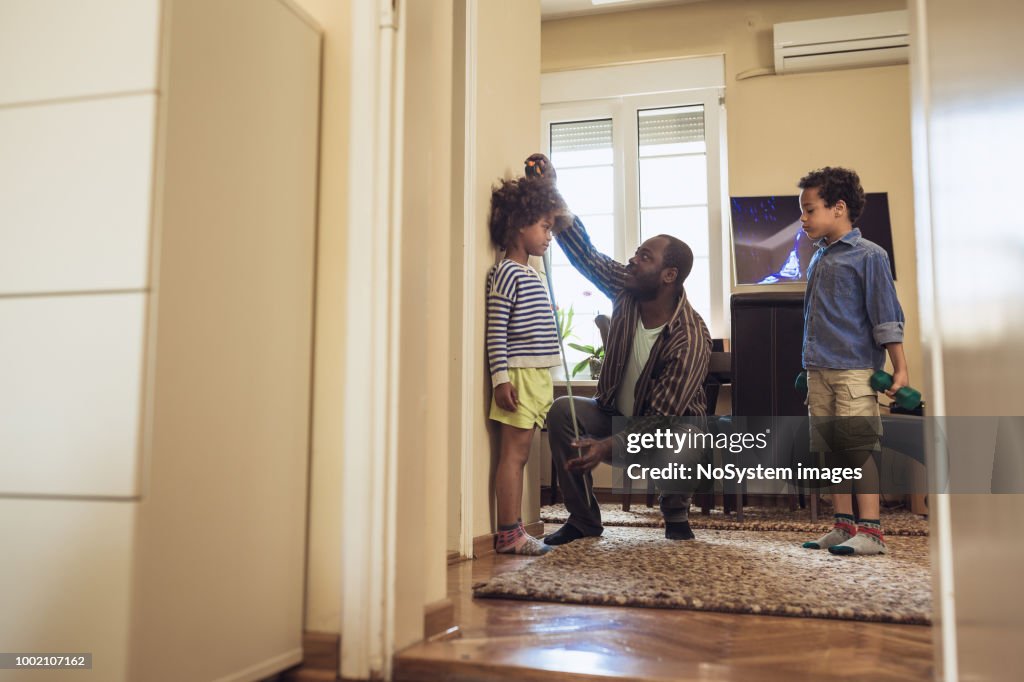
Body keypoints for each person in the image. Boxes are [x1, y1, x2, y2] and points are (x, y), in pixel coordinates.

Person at [524, 154, 712, 547]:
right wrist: (550, 191)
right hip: (613, 417)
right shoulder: (627, 289)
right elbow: (586, 255)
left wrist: (606, 447)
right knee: (563, 411)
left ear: (669, 275)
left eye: (645, 256)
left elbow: (661, 420)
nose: (632, 259)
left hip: (664, 434)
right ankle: (584, 519)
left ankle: (675, 512)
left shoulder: (691, 336)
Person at [797, 166, 908, 556]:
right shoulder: (818, 259)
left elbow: (886, 316)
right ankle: (843, 526)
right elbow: (817, 317)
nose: (804, 218)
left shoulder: (870, 256)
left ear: (838, 208)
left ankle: (872, 531)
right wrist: (807, 364)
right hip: (819, 370)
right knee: (830, 452)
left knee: (857, 449)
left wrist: (900, 367)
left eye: (810, 210)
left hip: (854, 371)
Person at [486, 174, 568, 555]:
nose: (549, 236)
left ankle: (515, 529)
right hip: (518, 374)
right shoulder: (506, 273)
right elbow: (496, 330)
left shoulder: (531, 272)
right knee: (514, 456)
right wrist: (500, 378)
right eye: (545, 227)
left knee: (524, 455)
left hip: (537, 376)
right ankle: (508, 532)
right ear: (521, 224)